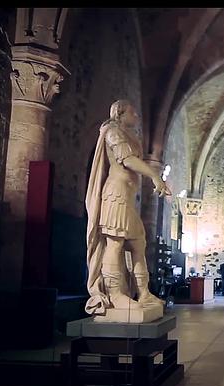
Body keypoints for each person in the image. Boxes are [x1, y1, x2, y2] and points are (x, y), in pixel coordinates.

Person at [85, 99, 170, 317]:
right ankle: (115, 294)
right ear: (121, 113)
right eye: (133, 113)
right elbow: (127, 159)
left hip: (127, 198)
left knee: (138, 244)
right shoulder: (112, 130)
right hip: (115, 195)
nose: (137, 117)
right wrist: (154, 176)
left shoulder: (126, 133)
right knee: (115, 242)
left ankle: (143, 293)